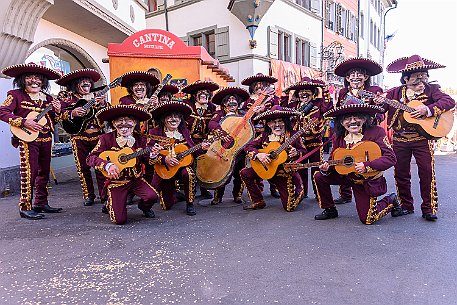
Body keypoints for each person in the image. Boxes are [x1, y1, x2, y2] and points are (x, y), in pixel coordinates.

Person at [374, 54, 456, 221]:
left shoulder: (432, 90)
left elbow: (449, 102)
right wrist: (378, 103)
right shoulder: (394, 93)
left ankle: (428, 208)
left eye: (424, 76)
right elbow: (382, 110)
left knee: (426, 173)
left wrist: (428, 110)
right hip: (400, 139)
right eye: (416, 78)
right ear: (405, 79)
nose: (421, 81)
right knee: (401, 173)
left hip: (422, 140)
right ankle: (406, 205)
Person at [313, 99, 403, 224]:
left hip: (365, 180)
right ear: (342, 122)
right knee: (319, 176)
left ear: (365, 119)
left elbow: (391, 158)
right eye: (347, 118)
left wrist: (367, 165)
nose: (353, 121)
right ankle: (329, 209)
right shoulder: (339, 136)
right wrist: (326, 168)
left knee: (367, 219)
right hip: (346, 176)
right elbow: (334, 160)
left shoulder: (376, 132)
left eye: (357, 117)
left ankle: (391, 199)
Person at [0, 63, 63, 219]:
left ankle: (41, 202)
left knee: (44, 172)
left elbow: (56, 120)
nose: (34, 80)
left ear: (43, 81)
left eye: (38, 78)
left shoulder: (49, 98)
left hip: (46, 138)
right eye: (29, 77)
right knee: (30, 172)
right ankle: (25, 206)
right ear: (22, 80)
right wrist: (23, 122)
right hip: (28, 140)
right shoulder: (15, 95)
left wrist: (58, 111)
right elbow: (2, 111)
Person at [86, 105, 160, 225]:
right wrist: (107, 165)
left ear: (134, 122)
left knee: (152, 197)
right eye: (120, 121)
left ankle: (144, 208)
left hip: (135, 179)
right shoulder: (106, 138)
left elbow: (147, 160)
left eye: (128, 121)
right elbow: (90, 158)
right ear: (114, 123)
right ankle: (110, 202)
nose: (124, 125)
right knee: (119, 220)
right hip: (117, 182)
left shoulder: (141, 139)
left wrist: (153, 155)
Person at [332, 57, 384, 205]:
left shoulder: (374, 91)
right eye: (352, 74)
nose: (355, 77)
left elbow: (381, 112)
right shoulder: (342, 92)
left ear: (366, 77)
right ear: (347, 78)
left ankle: (370, 193)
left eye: (359, 74)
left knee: (368, 160)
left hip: (366, 132)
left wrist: (373, 119)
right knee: (343, 157)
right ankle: (345, 194)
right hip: (347, 131)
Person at [148, 101, 210, 216]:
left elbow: (194, 149)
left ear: (180, 120)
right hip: (164, 169)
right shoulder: (155, 132)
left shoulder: (184, 132)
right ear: (163, 120)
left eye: (176, 117)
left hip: (181, 167)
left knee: (189, 174)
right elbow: (148, 153)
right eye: (169, 117)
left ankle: (190, 203)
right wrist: (164, 159)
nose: (173, 119)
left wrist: (203, 148)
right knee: (166, 206)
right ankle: (175, 195)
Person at [57, 69, 107, 206]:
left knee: (101, 166)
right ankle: (88, 195)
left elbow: (108, 114)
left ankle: (105, 195)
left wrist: (102, 104)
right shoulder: (67, 97)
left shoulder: (97, 95)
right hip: (78, 136)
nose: (86, 84)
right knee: (83, 167)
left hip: (98, 135)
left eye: (88, 82)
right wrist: (72, 113)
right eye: (82, 82)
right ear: (75, 84)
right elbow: (58, 114)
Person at [240, 106, 305, 212]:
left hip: (283, 173)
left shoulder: (293, 136)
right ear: (269, 124)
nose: (277, 125)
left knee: (289, 207)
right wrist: (258, 155)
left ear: (285, 122)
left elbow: (304, 151)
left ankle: (300, 190)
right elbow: (248, 147)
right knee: (245, 173)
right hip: (266, 168)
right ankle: (258, 201)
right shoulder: (264, 136)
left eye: (280, 121)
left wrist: (297, 153)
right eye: (273, 122)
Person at [283, 77, 333, 199]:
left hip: (315, 143)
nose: (304, 93)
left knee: (316, 169)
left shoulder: (318, 103)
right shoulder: (294, 105)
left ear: (313, 92)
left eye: (307, 90)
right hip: (299, 144)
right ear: (297, 93)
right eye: (301, 91)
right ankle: (302, 193)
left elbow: (328, 109)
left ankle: (318, 194)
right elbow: (283, 109)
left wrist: (325, 90)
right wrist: (285, 94)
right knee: (300, 169)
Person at [208, 86, 250, 205]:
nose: (232, 102)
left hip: (239, 150)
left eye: (234, 99)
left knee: (239, 173)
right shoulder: (219, 114)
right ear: (224, 103)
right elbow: (212, 124)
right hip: (224, 148)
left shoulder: (243, 114)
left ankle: (237, 195)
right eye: (229, 100)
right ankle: (218, 197)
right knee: (221, 172)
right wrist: (222, 134)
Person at [241, 73, 281, 198]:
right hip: (252, 135)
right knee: (255, 160)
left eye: (262, 87)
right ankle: (257, 189)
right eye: (257, 87)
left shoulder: (273, 99)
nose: (259, 89)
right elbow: (243, 118)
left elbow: (277, 111)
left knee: (273, 157)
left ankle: (275, 187)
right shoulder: (248, 101)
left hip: (268, 133)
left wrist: (264, 110)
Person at [181, 80, 219, 199]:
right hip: (188, 140)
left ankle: (204, 188)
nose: (204, 95)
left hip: (206, 141)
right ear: (193, 95)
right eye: (200, 92)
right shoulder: (186, 105)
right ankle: (188, 192)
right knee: (190, 165)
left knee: (206, 164)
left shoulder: (212, 107)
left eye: (206, 92)